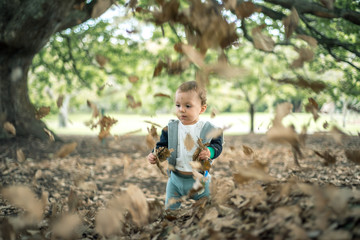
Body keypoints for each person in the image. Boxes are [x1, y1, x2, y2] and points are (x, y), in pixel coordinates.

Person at [147, 81, 223, 210]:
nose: (181, 109)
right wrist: (155, 154)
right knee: (170, 211)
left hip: (200, 182)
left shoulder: (208, 129)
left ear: (202, 109)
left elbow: (217, 145)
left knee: (209, 210)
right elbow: (162, 146)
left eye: (188, 106)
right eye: (178, 105)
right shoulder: (170, 129)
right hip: (176, 180)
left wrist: (210, 151)